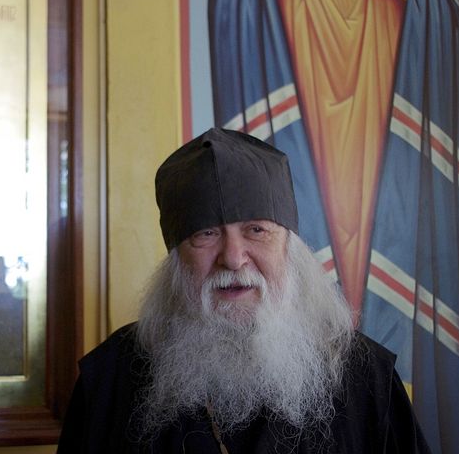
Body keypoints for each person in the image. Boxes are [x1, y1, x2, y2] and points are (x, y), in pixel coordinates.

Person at [57, 128, 430, 453]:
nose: (233, 259)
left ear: (291, 249)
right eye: (206, 234)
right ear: (176, 261)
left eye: (257, 230)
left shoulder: (368, 378)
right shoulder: (108, 380)